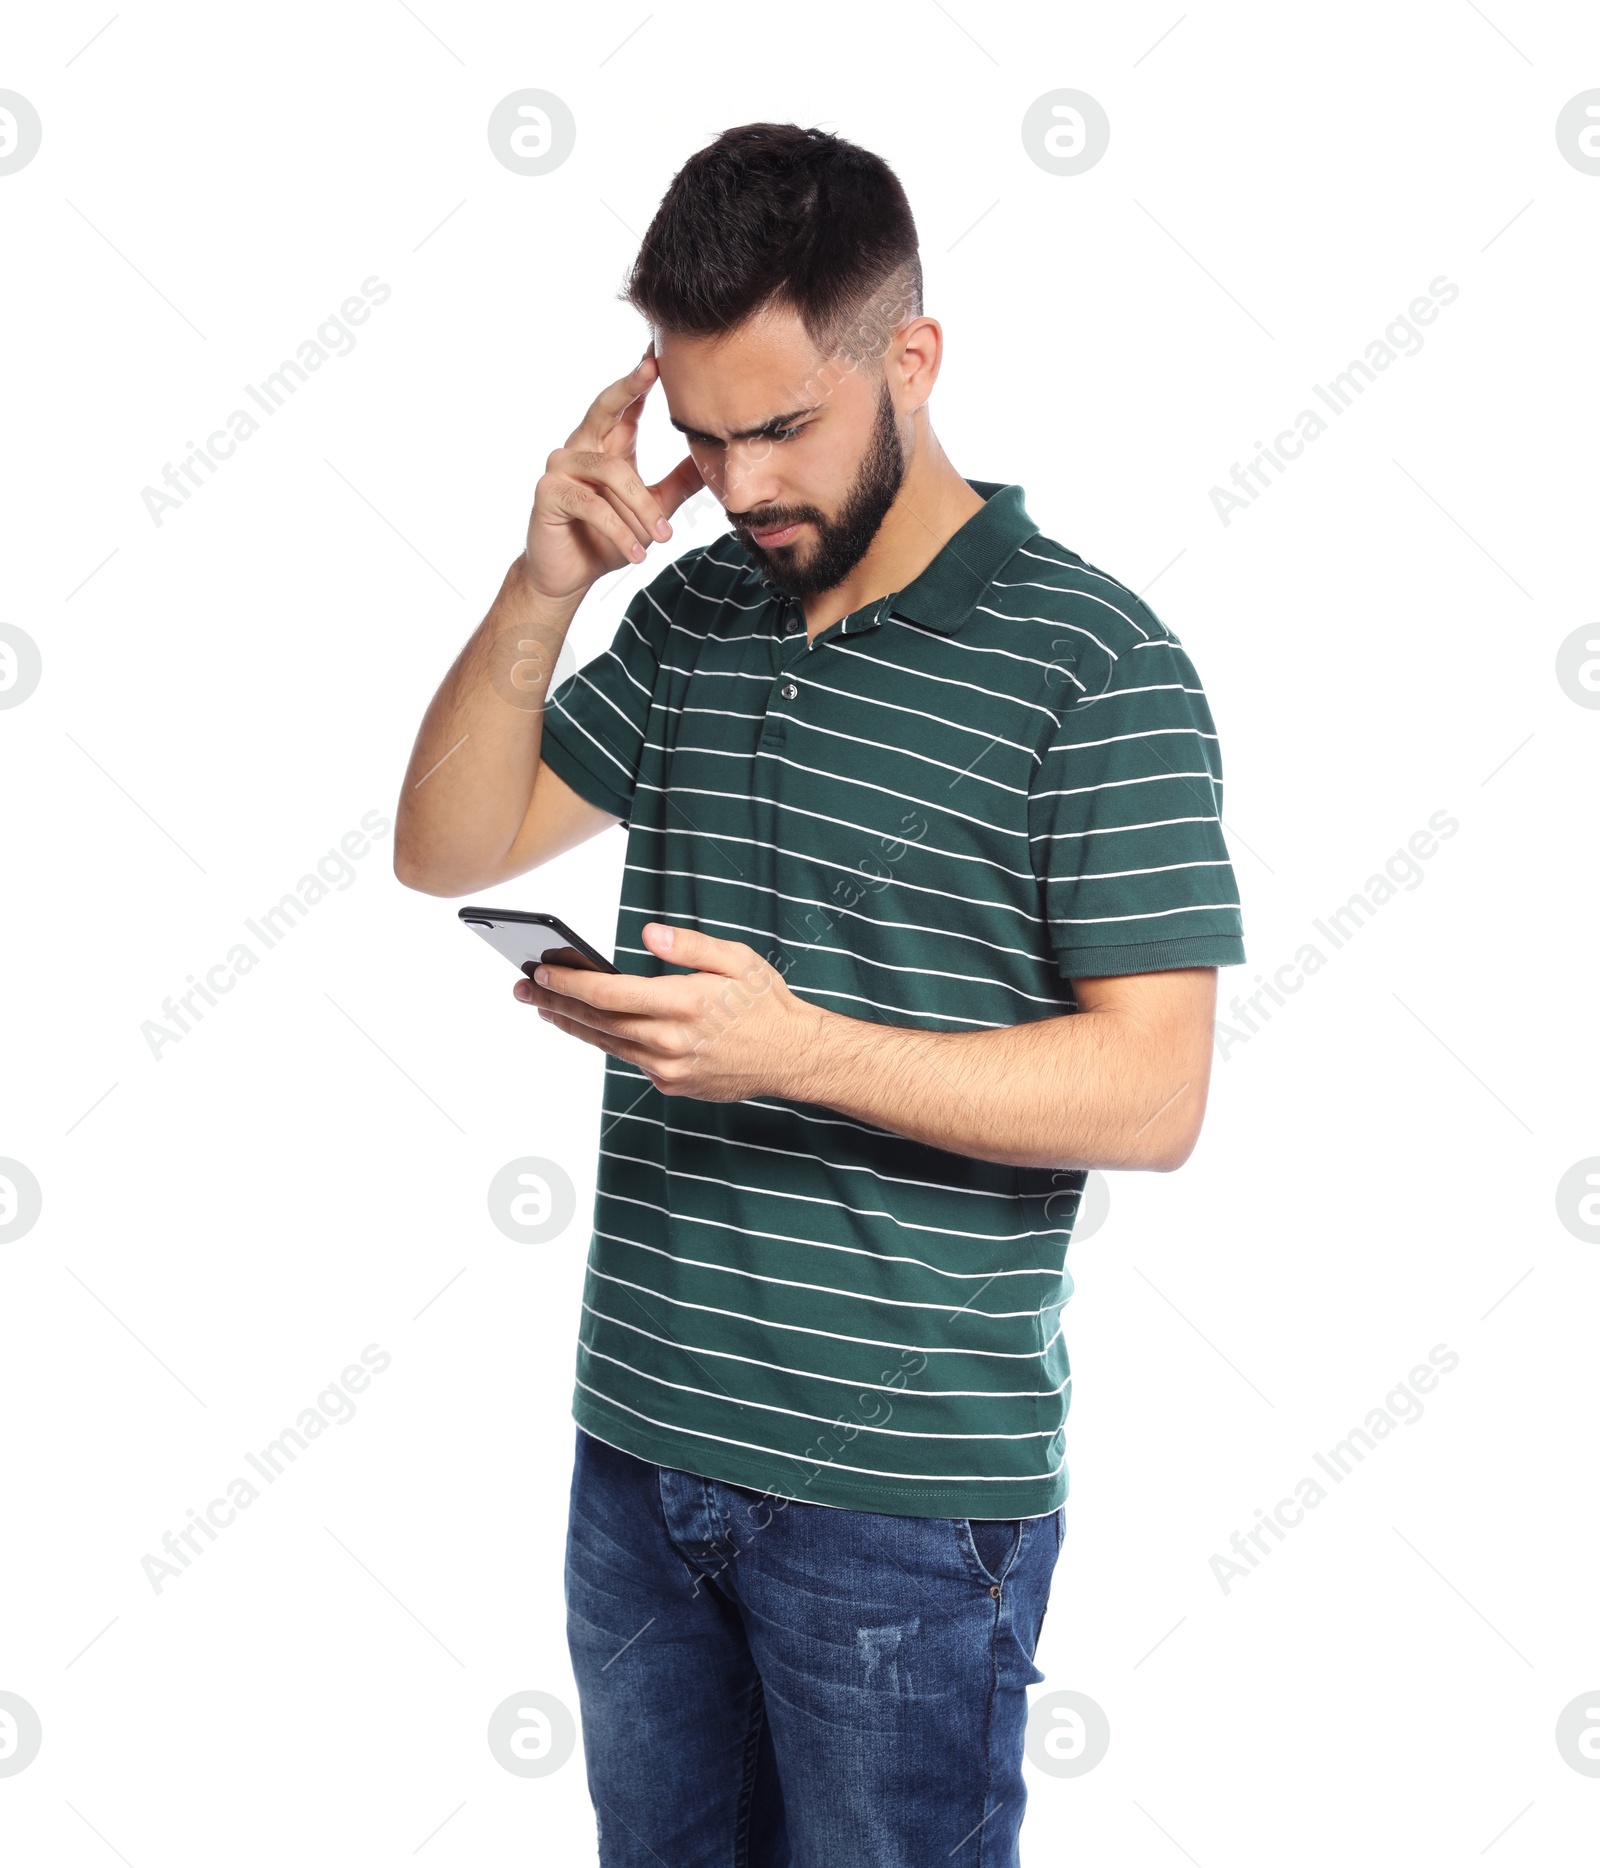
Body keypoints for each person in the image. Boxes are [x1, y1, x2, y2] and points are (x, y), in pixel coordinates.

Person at [395, 120, 1246, 1868]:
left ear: (911, 360)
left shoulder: (1096, 663)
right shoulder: (701, 611)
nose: (745, 482)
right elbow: (446, 841)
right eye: (704, 439)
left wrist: (795, 1051)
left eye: (784, 426)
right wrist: (545, 583)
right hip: (637, 1454)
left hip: (902, 1507)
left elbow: (1155, 1092)